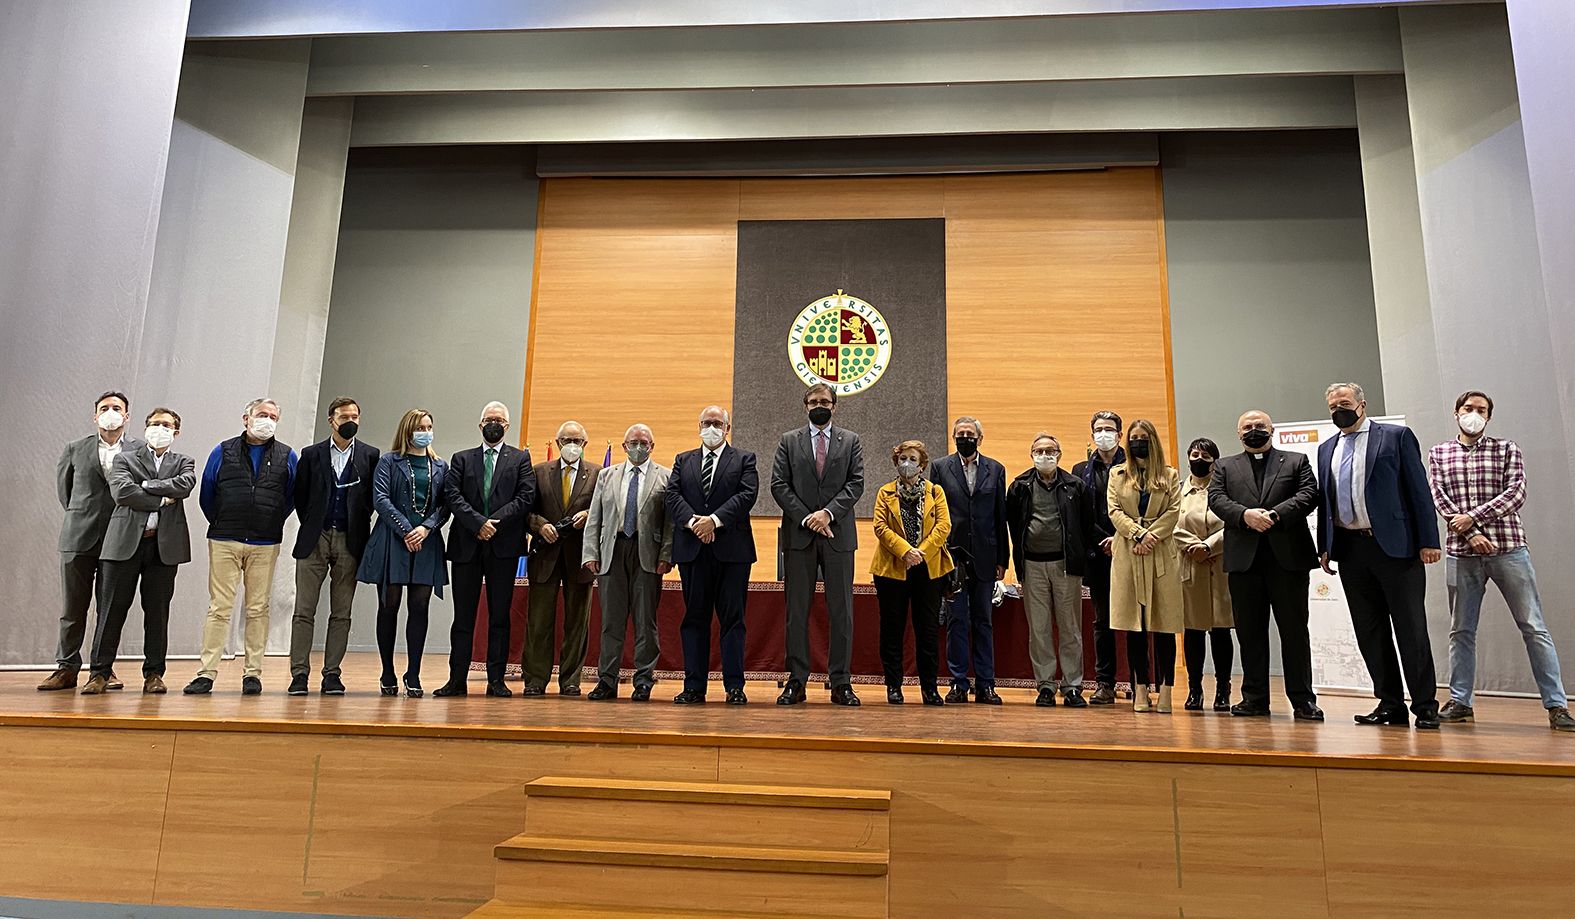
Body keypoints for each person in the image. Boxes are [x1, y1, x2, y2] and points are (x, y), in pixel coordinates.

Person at [1428, 391, 1575, 732]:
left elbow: (1515, 494)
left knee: (1533, 626)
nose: (1474, 414)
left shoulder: (1506, 449)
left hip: (1509, 549)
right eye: (1468, 408)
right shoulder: (1439, 453)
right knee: (1461, 630)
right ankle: (1461, 702)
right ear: (1456, 412)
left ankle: (1557, 706)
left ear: (1489, 417)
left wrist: (1473, 521)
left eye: (1481, 410)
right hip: (1462, 553)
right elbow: (1440, 498)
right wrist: (1470, 535)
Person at [1317, 382, 1442, 730]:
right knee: (1370, 631)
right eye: (1332, 406)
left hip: (1396, 548)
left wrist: (1428, 540)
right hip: (1351, 549)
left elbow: (1419, 490)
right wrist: (1324, 546)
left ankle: (1425, 707)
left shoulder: (1396, 437)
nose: (1338, 410)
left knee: (1411, 629)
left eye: (1344, 403)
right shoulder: (1327, 448)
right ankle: (1389, 705)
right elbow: (1327, 502)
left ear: (1361, 404)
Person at [1209, 413, 1323, 720]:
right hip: (1244, 563)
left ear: (1272, 430)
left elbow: (1309, 495)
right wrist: (1246, 515)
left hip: (1288, 560)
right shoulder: (1224, 466)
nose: (1254, 431)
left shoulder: (1296, 461)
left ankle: (1303, 699)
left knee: (1294, 631)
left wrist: (1273, 515)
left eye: (1260, 426)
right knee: (1250, 633)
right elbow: (1216, 499)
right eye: (1248, 427)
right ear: (1238, 433)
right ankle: (1255, 698)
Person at [185, 399, 297, 696]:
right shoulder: (222, 451)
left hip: (265, 542)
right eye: (262, 414)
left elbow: (290, 498)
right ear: (246, 418)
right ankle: (206, 672)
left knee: (258, 608)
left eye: (273, 416)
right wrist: (225, 521)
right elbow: (207, 492)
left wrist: (268, 520)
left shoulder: (288, 455)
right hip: (225, 539)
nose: (267, 420)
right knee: (219, 608)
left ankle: (252, 674)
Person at [83, 408, 194, 695]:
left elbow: (184, 485)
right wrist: (161, 498)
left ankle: (154, 674)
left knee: (157, 612)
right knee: (111, 611)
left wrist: (145, 485)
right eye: (155, 424)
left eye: (167, 425)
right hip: (124, 544)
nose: (160, 428)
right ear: (145, 428)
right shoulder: (125, 458)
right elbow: (122, 492)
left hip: (163, 547)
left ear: (176, 432)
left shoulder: (184, 461)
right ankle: (99, 673)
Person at [40, 391, 145, 691]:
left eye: (117, 408)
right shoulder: (75, 448)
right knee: (73, 607)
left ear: (126, 416)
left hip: (121, 539)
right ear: (95, 415)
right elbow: (66, 492)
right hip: (78, 537)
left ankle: (103, 670)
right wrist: (83, 515)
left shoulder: (140, 450)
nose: (110, 412)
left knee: (110, 608)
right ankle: (66, 667)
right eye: (104, 408)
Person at [771, 383, 865, 706]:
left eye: (825, 400)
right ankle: (796, 682)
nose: (819, 405)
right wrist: (808, 517)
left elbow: (856, 484)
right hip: (799, 537)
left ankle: (841, 683)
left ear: (835, 406)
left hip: (839, 537)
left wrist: (827, 514)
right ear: (805, 406)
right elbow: (779, 485)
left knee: (842, 613)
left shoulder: (851, 441)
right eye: (813, 401)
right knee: (797, 613)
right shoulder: (788, 441)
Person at [437, 402, 537, 698]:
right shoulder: (461, 459)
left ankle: (496, 679)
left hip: (503, 546)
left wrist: (495, 523)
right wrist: (478, 523)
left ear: (507, 426)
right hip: (467, 543)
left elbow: (526, 497)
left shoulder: (520, 459)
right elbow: (452, 495)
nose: (494, 424)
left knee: (500, 616)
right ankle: (457, 679)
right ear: (480, 425)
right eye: (489, 419)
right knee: (463, 616)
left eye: (500, 420)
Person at [287, 396, 380, 696]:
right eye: (344, 416)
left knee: (342, 612)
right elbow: (300, 497)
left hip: (350, 539)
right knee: (304, 610)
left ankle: (332, 674)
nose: (350, 420)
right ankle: (299, 673)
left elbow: (371, 499)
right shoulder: (311, 454)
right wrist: (316, 523)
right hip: (315, 537)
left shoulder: (370, 455)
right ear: (331, 420)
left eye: (355, 415)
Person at [665, 406, 758, 705]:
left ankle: (734, 686)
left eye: (717, 423)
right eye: (706, 423)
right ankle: (693, 686)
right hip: (692, 550)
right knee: (694, 618)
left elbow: (747, 495)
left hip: (732, 551)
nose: (711, 427)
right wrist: (695, 523)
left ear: (727, 428)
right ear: (698, 426)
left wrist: (713, 521)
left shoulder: (744, 459)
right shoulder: (683, 459)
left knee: (733, 619)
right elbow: (672, 496)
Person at [355, 409, 451, 698]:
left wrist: (426, 529)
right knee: (389, 605)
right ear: (408, 430)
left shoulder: (440, 465)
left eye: (429, 426)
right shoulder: (388, 461)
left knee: (420, 607)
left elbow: (446, 504)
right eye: (420, 426)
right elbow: (380, 499)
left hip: (427, 542)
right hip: (393, 540)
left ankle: (414, 673)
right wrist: (407, 529)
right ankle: (387, 671)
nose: (425, 431)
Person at [583, 424, 674, 701]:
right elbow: (594, 517)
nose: (638, 447)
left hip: (647, 555)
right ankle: (606, 680)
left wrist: (666, 555)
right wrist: (590, 553)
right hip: (613, 550)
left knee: (646, 622)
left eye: (644, 442)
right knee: (611, 622)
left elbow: (669, 523)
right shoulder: (606, 476)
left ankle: (644, 680)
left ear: (652, 446)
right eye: (633, 442)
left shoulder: (666, 477)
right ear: (624, 446)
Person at [1006, 433, 1096, 708]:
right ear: (1031, 454)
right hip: (1032, 565)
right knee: (1039, 628)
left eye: (1050, 451)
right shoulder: (1019, 486)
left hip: (1066, 565)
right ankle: (1045, 685)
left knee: (1070, 628)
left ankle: (1072, 687)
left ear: (1059, 454)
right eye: (1039, 451)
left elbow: (1085, 525)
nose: (1044, 455)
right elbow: (1013, 523)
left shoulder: (1075, 486)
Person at [1106, 419, 1184, 713]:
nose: (1138, 442)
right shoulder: (1117, 473)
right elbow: (1113, 510)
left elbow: (1174, 510)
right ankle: (1140, 689)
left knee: (1164, 625)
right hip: (1128, 551)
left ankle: (1165, 691)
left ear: (1153, 440)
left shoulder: (1169, 475)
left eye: (1144, 437)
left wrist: (1151, 535)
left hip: (1161, 552)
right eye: (1134, 437)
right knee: (1134, 626)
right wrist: (1138, 533)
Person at [931, 417, 1008, 704]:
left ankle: (986, 684)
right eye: (960, 434)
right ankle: (958, 683)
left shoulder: (996, 469)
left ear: (980, 438)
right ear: (953, 438)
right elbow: (934, 513)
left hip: (987, 557)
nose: (966, 438)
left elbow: (1001, 517)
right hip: (952, 558)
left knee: (983, 621)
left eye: (970, 434)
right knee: (956, 621)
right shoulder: (939, 468)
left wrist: (1003, 559)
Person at [871, 440, 954, 706]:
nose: (907, 463)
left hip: (928, 569)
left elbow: (944, 526)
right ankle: (894, 686)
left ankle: (929, 688)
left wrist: (921, 553)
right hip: (892, 569)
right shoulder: (885, 492)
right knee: (892, 630)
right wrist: (906, 551)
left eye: (913, 459)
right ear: (896, 463)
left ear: (923, 465)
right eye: (903, 458)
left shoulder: (935, 492)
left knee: (927, 631)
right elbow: (880, 527)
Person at [524, 421, 599, 696]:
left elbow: (604, 509)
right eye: (567, 440)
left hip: (580, 558)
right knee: (539, 621)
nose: (572, 445)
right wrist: (540, 525)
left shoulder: (598, 474)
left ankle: (570, 680)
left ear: (585, 445)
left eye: (577, 441)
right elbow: (526, 511)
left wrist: (590, 516)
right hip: (545, 555)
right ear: (557, 444)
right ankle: (535, 679)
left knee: (577, 622)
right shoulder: (539, 472)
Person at [1176, 438, 1233, 712]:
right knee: (1194, 632)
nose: (1199, 459)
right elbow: (1170, 525)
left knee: (1221, 632)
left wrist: (1208, 546)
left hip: (1220, 567)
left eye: (1206, 455)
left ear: (1215, 460)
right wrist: (1193, 547)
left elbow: (1233, 522)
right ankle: (1195, 689)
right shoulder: (1177, 491)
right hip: (1190, 567)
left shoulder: (1225, 488)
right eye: (1195, 454)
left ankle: (1223, 689)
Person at [1073, 411, 1126, 705]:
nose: (1103, 434)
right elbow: (1081, 514)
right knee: (1102, 621)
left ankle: (1137, 681)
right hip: (1097, 553)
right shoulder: (1081, 469)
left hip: (1131, 550)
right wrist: (1102, 540)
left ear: (1119, 434)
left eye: (1109, 429)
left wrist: (1119, 538)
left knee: (1135, 620)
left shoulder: (1135, 466)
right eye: (1098, 429)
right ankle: (1105, 682)